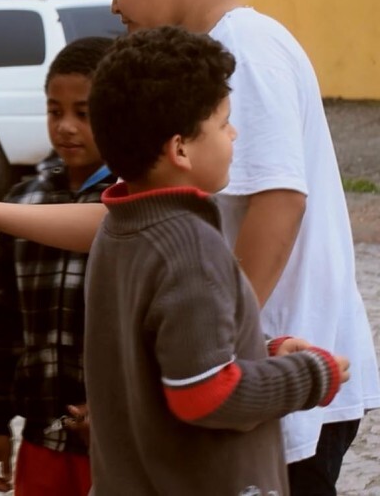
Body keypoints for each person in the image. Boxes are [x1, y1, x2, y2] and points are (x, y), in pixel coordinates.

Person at [0, 0, 380, 492]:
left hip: (273, 376)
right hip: (234, 380)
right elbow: (126, 222)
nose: (113, 5)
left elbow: (280, 201)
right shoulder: (191, 76)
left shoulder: (246, 46)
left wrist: (231, 346)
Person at [87, 25, 348, 494]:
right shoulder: (191, 246)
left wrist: (261, 352)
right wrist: (309, 376)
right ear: (180, 148)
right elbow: (204, 395)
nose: (234, 132)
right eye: (222, 121)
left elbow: (174, 359)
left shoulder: (118, 229)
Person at [0, 37, 115, 495]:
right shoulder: (23, 205)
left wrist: (119, 408)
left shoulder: (133, 206)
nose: (66, 127)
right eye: (55, 111)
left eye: (84, 112)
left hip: (117, 446)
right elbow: (0, 322)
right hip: (42, 442)